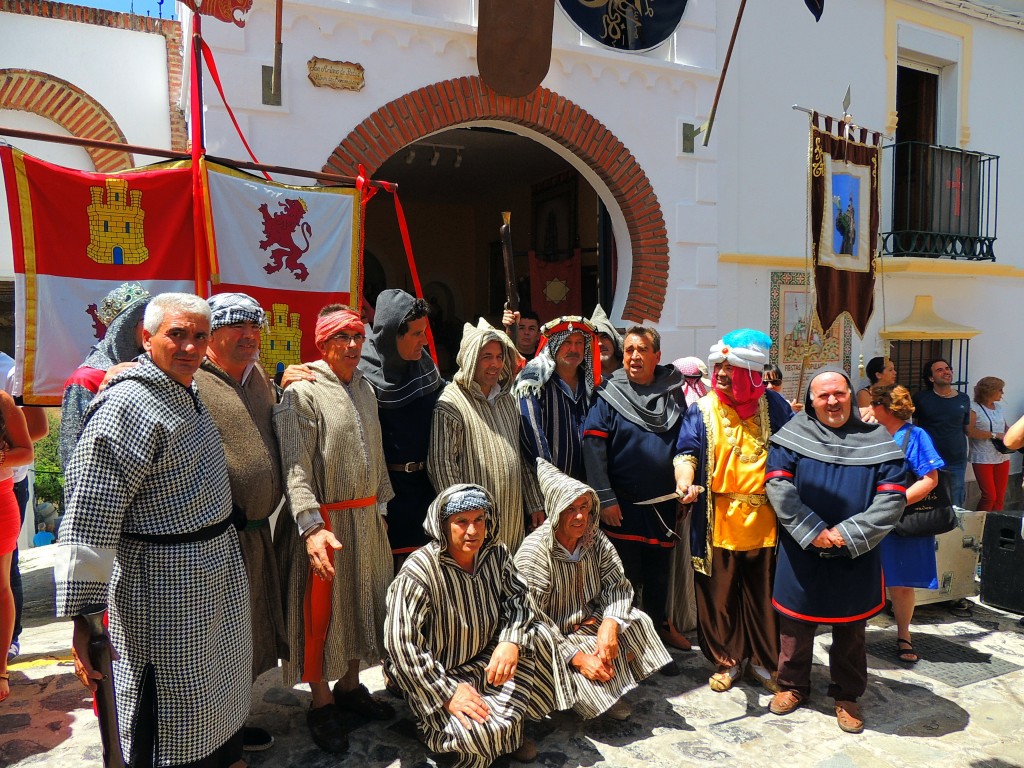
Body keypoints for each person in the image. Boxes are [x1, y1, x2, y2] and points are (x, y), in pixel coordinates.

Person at [55, 292, 252, 765]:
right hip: (162, 586)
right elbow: (88, 514)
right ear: (146, 337)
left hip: (213, 570)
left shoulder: (189, 388)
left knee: (214, 690)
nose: (189, 347)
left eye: (199, 337)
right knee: (168, 709)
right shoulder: (127, 405)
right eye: (176, 335)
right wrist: (84, 617)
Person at [273, 305, 396, 754]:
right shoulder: (302, 392)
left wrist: (381, 506)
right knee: (319, 615)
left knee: (361, 604)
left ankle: (348, 686)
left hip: (365, 518)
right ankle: (321, 702)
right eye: (340, 337)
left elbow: (376, 451)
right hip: (324, 523)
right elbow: (295, 466)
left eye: (357, 337)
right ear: (322, 343)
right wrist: (309, 525)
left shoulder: (364, 387)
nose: (351, 345)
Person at [384, 484, 567, 768]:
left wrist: (510, 641)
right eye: (461, 522)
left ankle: (509, 731)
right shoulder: (420, 571)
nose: (472, 531)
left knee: (540, 635)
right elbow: (401, 643)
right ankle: (431, 726)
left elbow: (519, 598)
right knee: (478, 736)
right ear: (443, 526)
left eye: (479, 520)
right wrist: (447, 692)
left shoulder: (496, 555)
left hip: (485, 660)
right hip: (441, 674)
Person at [765, 370, 907, 734]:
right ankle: (793, 685)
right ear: (811, 401)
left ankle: (846, 695)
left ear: (851, 396)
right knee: (795, 625)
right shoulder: (792, 436)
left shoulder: (877, 440)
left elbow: (891, 498)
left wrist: (846, 534)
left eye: (839, 394)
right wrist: (813, 531)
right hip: (803, 545)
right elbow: (779, 485)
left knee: (851, 630)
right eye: (823, 395)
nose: (832, 401)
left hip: (855, 550)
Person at [193, 293, 287, 753]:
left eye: (256, 328)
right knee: (216, 637)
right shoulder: (191, 380)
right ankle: (214, 735)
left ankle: (233, 720)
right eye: (237, 328)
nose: (250, 337)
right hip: (215, 538)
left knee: (246, 632)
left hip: (255, 534)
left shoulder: (258, 379)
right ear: (211, 335)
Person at [675, 329, 793, 693]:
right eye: (718, 366)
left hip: (767, 522)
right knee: (718, 596)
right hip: (717, 520)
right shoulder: (701, 409)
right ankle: (727, 660)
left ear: (751, 372)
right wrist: (684, 481)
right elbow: (686, 452)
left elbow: (793, 454)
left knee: (765, 596)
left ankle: (765, 662)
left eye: (730, 367)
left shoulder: (775, 407)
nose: (721, 374)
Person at [514, 459, 671, 721]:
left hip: (590, 621)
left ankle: (608, 682)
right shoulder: (535, 552)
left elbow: (617, 585)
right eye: (571, 509)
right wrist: (576, 657)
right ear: (555, 510)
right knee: (546, 647)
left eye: (585, 508)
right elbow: (532, 618)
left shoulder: (594, 538)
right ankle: (584, 685)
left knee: (637, 621)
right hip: (555, 637)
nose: (580, 517)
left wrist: (609, 623)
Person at [582, 325, 686, 667]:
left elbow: (687, 442)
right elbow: (593, 446)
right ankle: (625, 644)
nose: (634, 356)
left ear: (657, 355)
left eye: (642, 349)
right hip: (622, 507)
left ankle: (658, 633)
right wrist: (606, 499)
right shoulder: (609, 392)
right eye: (628, 350)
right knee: (624, 578)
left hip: (664, 506)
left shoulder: (673, 392)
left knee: (659, 575)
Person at [428, 319, 542, 552]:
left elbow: (520, 456)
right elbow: (442, 465)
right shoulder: (451, 403)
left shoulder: (507, 400)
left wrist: (534, 503)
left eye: (500, 357)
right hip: (472, 527)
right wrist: (462, 518)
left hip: (511, 519)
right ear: (471, 360)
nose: (495, 364)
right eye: (486, 357)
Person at [359, 289, 444, 569]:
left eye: (424, 332)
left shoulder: (424, 366)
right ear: (393, 334)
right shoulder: (362, 377)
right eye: (416, 334)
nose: (424, 341)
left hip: (426, 490)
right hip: (388, 499)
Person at [868, 384, 944, 664]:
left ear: (886, 407)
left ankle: (904, 634)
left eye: (874, 402)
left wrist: (894, 505)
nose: (868, 407)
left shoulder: (916, 436)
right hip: (869, 521)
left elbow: (929, 479)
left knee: (901, 584)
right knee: (865, 578)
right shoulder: (869, 434)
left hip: (902, 521)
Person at [59, 282, 151, 468]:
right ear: (124, 328)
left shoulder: (154, 370)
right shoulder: (85, 380)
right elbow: (72, 453)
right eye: (145, 320)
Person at [514, 316, 600, 483]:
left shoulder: (590, 382)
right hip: (547, 487)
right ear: (554, 344)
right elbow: (531, 436)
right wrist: (553, 482)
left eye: (579, 343)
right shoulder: (533, 380)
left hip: (586, 488)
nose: (573, 349)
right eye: (567, 342)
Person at [4, 364, 49, 664]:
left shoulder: (10, 370)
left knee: (7, 569)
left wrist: (2, 451)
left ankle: (9, 640)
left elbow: (39, 429)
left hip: (9, 484)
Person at [0, 392, 34, 703]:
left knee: (1, 587)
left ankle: (0, 671)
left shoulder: (2, 402)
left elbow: (27, 452)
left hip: (0, 498)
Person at [912, 359, 970, 508]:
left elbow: (965, 427)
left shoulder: (964, 398)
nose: (946, 372)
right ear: (931, 378)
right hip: (929, 460)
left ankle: (957, 531)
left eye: (947, 368)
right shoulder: (921, 399)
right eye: (940, 370)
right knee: (931, 503)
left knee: (956, 501)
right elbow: (912, 426)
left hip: (956, 459)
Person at [966, 376, 1011, 512]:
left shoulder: (998, 407)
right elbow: (970, 431)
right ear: (990, 391)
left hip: (1001, 455)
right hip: (983, 456)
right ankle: (981, 526)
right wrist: (994, 435)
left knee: (999, 497)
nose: (1002, 393)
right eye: (1000, 390)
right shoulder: (974, 408)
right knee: (989, 496)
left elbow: (1004, 426)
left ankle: (996, 525)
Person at [589, 304, 623, 379]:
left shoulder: (630, 369)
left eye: (604, 337)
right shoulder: (585, 378)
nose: (600, 343)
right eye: (594, 339)